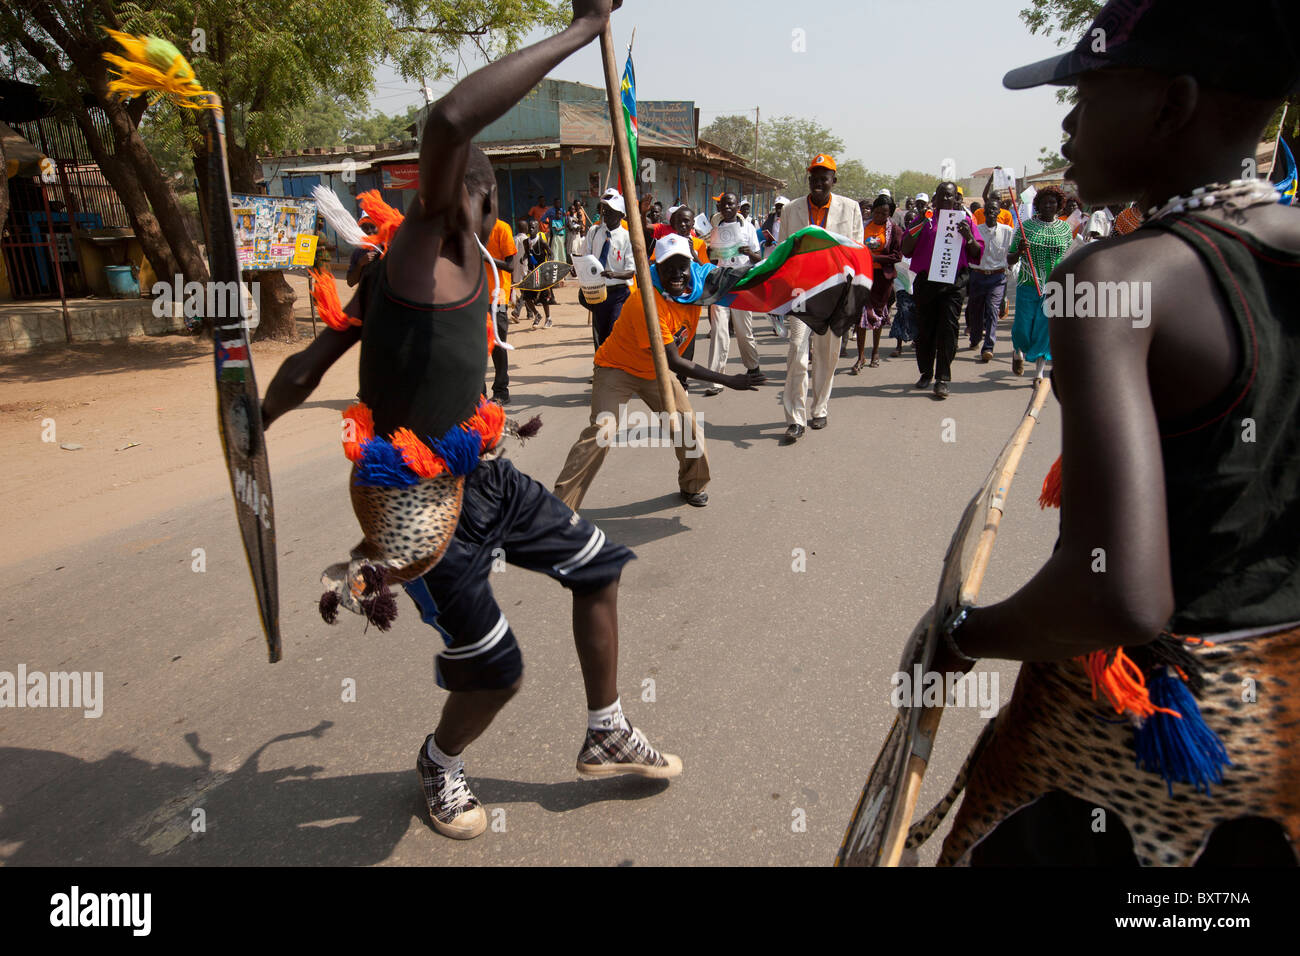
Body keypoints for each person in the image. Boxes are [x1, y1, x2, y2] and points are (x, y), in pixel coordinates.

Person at [255, 1, 684, 846]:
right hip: (417, 507)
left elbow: (310, 367)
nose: (495, 224)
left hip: (485, 473)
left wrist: (258, 418)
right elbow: (451, 118)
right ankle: (440, 762)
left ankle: (605, 729)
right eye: (487, 203)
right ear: (476, 196)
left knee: (597, 567)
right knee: (496, 672)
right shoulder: (425, 241)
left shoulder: (424, 271)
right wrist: (584, 29)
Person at [923, 0, 1300, 868]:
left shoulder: (1117, 280)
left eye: (1088, 92)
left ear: (1174, 103)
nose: (1065, 119)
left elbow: (1119, 597)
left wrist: (964, 633)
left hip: (1149, 747)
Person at [553, 233, 766, 509]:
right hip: (617, 367)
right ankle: (559, 507)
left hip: (654, 370)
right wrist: (728, 379)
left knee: (687, 425)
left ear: (690, 266)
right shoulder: (647, 302)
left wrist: (780, 260)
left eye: (682, 266)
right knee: (602, 431)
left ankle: (693, 484)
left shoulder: (699, 285)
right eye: (668, 268)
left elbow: (742, 275)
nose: (676, 274)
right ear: (656, 268)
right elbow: (675, 362)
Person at [779, 154, 863, 443]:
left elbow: (858, 252)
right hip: (801, 294)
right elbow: (782, 252)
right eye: (813, 177)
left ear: (833, 180)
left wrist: (850, 295)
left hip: (834, 293)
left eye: (823, 177)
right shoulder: (791, 210)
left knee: (827, 356)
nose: (818, 182)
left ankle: (820, 408)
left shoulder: (850, 209)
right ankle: (795, 418)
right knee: (797, 356)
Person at [899, 181, 984, 400]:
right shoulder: (924, 220)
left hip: (953, 283)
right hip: (927, 282)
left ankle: (942, 378)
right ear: (934, 199)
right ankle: (926, 372)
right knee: (926, 329)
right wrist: (918, 226)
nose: (946, 200)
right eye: (942, 196)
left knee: (948, 328)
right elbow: (906, 249)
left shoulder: (965, 221)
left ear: (957, 199)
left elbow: (976, 252)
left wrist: (968, 236)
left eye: (950, 196)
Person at [1005, 185, 1072, 380]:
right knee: (1023, 329)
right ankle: (1018, 351)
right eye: (1044, 202)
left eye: (1052, 202)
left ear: (1059, 205)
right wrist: (1019, 251)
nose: (1048, 206)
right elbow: (1009, 259)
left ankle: (1039, 373)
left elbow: (1069, 256)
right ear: (1038, 205)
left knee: (1044, 330)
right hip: (1028, 283)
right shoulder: (1026, 228)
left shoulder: (1065, 229)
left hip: (1053, 285)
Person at [701, 191, 762, 397]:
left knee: (744, 329)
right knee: (718, 330)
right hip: (721, 281)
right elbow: (708, 258)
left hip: (742, 281)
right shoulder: (713, 229)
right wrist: (710, 251)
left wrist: (747, 252)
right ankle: (716, 378)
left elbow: (757, 258)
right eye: (724, 205)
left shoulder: (748, 228)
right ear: (719, 207)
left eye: (731, 205)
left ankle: (753, 367)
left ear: (738, 207)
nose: (727, 208)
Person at [851, 195, 902, 372]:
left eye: (884, 213)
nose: (880, 216)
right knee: (861, 316)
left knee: (877, 315)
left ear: (890, 213)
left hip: (882, 278)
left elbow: (897, 256)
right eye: (877, 212)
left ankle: (875, 352)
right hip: (864, 276)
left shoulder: (894, 230)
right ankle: (860, 356)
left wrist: (876, 257)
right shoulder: (864, 226)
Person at [581, 193, 633, 349]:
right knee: (600, 336)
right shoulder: (594, 232)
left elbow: (631, 272)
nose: (606, 213)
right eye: (605, 209)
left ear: (620, 214)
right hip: (598, 292)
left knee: (614, 331)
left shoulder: (627, 237)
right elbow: (585, 257)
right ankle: (600, 368)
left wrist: (614, 274)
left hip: (619, 293)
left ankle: (615, 367)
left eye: (611, 210)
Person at [967, 188, 1014, 362]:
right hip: (978, 275)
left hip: (997, 277)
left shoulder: (1007, 231)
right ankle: (975, 337)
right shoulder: (976, 230)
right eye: (989, 210)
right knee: (976, 310)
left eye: (995, 209)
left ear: (1000, 211)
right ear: (984, 212)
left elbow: (1011, 254)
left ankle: (988, 347)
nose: (992, 213)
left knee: (993, 309)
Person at [484, 213, 516, 403]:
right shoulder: (470, 230)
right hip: (476, 297)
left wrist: (486, 259)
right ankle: (479, 394)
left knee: (497, 345)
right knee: (478, 348)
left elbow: (510, 266)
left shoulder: (502, 228)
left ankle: (501, 391)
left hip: (498, 296)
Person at [519, 219, 553, 328]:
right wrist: (523, 258)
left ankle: (548, 318)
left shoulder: (541, 241)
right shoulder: (526, 242)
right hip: (531, 273)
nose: (531, 229)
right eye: (529, 227)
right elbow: (527, 254)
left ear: (537, 229)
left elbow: (551, 253)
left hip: (541, 272)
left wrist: (548, 265)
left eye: (533, 227)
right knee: (526, 296)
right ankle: (537, 315)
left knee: (543, 297)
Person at [346, 219, 379, 287]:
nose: (369, 231)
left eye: (372, 226)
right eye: (365, 228)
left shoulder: (390, 248)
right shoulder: (358, 252)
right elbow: (350, 282)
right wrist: (360, 264)